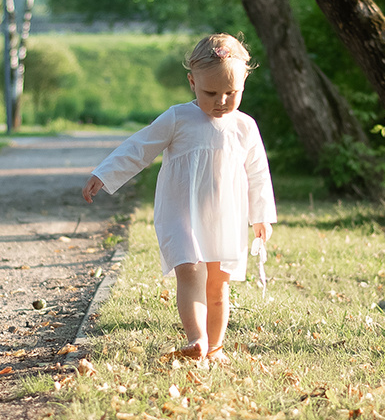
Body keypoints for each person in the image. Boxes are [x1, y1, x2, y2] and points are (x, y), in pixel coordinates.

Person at [82, 33, 275, 361]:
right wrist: (105, 173)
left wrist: (261, 216)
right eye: (210, 93)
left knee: (218, 285)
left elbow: (258, 173)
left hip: (224, 217)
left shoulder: (244, 127)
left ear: (243, 84)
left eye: (232, 93)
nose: (221, 101)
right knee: (190, 272)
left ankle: (215, 348)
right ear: (192, 82)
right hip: (181, 214)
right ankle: (197, 339)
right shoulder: (178, 118)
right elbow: (140, 147)